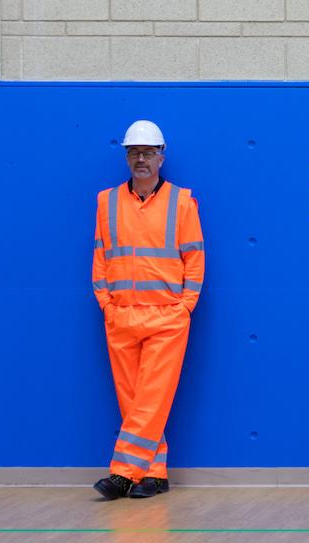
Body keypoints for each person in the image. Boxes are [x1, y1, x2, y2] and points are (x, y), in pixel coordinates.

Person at [90, 119, 205, 500]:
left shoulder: (182, 201)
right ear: (126, 158)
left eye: (148, 153)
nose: (141, 159)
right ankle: (154, 474)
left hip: (166, 315)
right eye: (134, 152)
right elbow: (100, 257)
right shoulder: (106, 202)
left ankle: (122, 474)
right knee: (134, 400)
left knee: (151, 398)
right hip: (121, 314)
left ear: (161, 157)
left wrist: (184, 307)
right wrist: (106, 304)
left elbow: (195, 258)